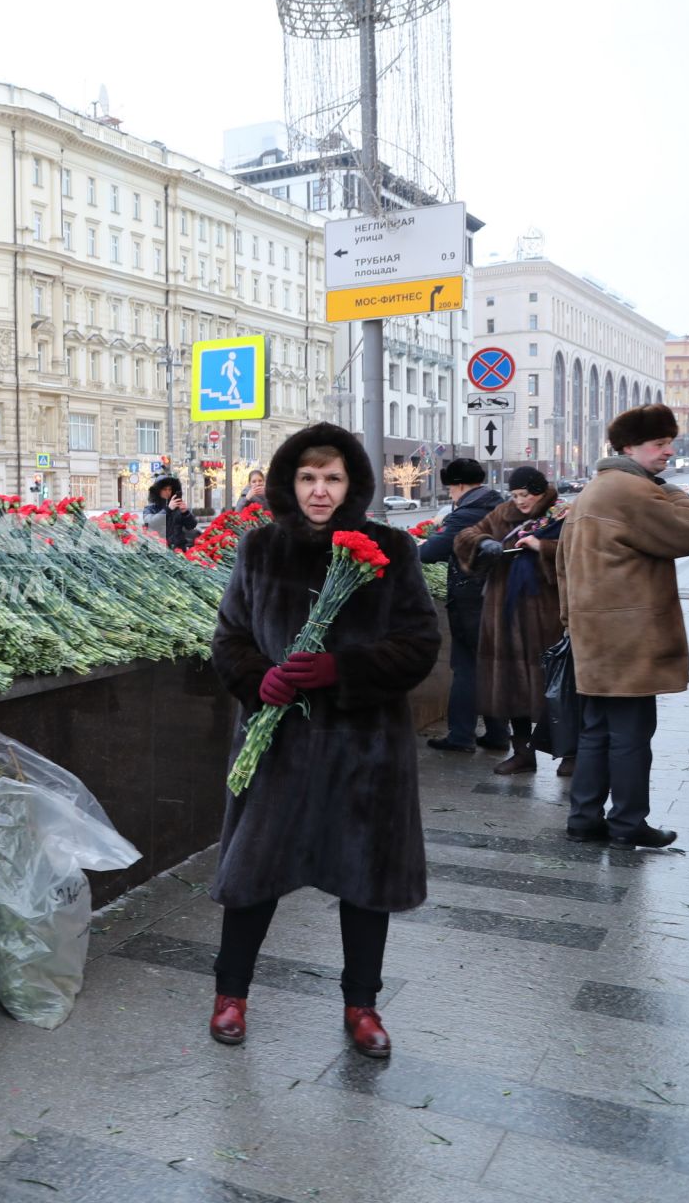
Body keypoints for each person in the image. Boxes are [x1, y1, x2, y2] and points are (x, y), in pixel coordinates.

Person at [207, 423, 440, 1059]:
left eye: (332, 478)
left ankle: (362, 1006)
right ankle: (232, 995)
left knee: (366, 879)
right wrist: (262, 680)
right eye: (308, 478)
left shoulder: (390, 548)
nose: (319, 490)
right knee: (252, 871)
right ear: (289, 482)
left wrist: (343, 669)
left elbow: (420, 642)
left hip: (365, 748)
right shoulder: (260, 549)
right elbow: (229, 637)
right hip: (278, 742)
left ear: (352, 484)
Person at [558, 404, 689, 848]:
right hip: (629, 637)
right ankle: (627, 823)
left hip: (594, 635)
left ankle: (584, 818)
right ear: (629, 447)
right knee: (630, 735)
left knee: (597, 731)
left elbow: (562, 568)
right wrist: (674, 492)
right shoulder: (632, 490)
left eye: (668, 442)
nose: (668, 451)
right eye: (659, 444)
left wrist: (571, 623)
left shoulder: (592, 491)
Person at [452, 466, 571, 777]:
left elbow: (579, 554)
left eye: (526, 494)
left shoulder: (563, 515)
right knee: (511, 689)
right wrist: (482, 544)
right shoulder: (503, 512)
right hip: (504, 614)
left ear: (541, 491)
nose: (520, 501)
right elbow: (466, 535)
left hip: (548, 615)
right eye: (515, 494)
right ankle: (522, 753)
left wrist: (541, 547)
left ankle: (571, 754)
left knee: (557, 689)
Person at [418, 458, 508, 754]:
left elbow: (430, 553)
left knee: (466, 667)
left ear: (458, 485)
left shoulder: (465, 515)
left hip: (471, 600)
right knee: (491, 666)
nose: (451, 495)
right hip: (497, 596)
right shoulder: (501, 505)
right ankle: (497, 733)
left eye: (451, 489)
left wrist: (422, 540)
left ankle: (460, 735)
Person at [142, 476, 198, 550]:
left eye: (170, 489)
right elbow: (150, 522)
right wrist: (168, 509)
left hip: (178, 550)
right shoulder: (150, 508)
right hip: (158, 549)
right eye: (164, 489)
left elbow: (191, 526)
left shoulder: (177, 508)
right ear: (158, 491)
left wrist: (185, 512)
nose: (167, 492)